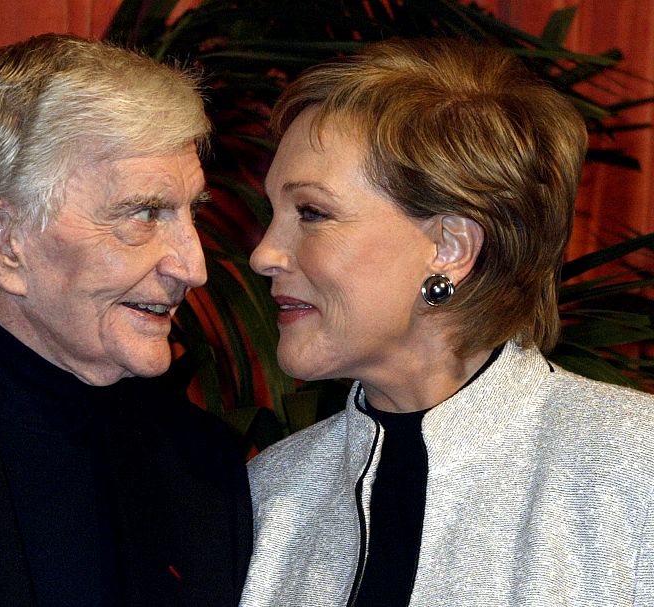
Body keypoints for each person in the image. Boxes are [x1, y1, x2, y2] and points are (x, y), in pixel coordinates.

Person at [240, 38, 654, 607]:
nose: (264, 254)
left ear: (450, 246)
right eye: (273, 213)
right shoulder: (273, 496)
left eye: (311, 212)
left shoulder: (632, 465)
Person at [0, 34, 251, 606]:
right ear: (3, 241)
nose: (193, 268)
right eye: (144, 214)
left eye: (191, 213)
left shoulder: (200, 466)